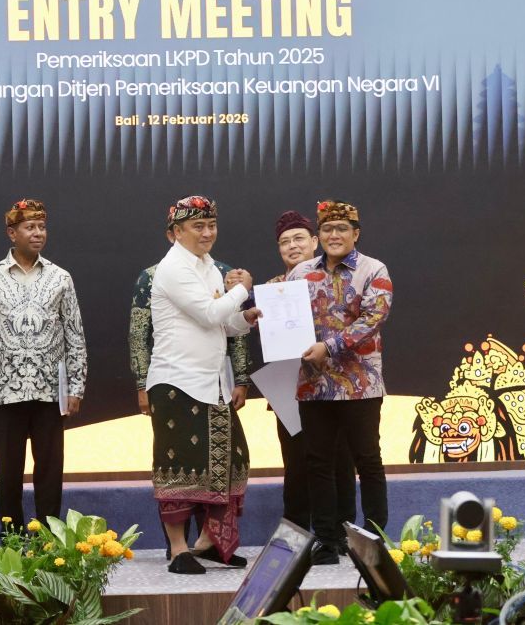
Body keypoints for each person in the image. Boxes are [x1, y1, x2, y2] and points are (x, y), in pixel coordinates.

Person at [146, 195, 261, 574]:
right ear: (176, 232)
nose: (207, 232)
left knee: (231, 459)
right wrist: (243, 288)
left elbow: (222, 323)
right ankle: (179, 549)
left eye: (211, 225)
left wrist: (246, 318)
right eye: (198, 226)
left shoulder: (209, 267)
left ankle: (208, 543)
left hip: (212, 383)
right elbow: (209, 311)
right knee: (180, 465)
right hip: (176, 381)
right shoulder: (172, 268)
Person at [0, 199, 86, 529]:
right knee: (8, 472)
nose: (38, 234)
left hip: (50, 391)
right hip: (4, 392)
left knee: (50, 471)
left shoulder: (61, 277)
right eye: (30, 228)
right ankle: (13, 541)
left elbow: (75, 334)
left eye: (42, 227)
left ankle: (50, 542)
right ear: (11, 233)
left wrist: (75, 387)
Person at [288, 200, 392, 565]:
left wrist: (328, 347)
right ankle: (328, 541)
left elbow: (371, 320)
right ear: (319, 235)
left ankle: (375, 540)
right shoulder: (300, 272)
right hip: (313, 384)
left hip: (360, 383)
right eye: (328, 230)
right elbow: (284, 317)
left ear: (356, 234)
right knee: (317, 462)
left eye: (342, 229)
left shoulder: (373, 269)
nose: (334, 235)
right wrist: (256, 313)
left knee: (367, 460)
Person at [260, 211, 356, 537]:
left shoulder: (338, 281)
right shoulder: (272, 289)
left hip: (336, 387)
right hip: (290, 388)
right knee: (296, 463)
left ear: (315, 242)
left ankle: (340, 533)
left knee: (340, 460)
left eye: (299, 238)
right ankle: (296, 533)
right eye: (285, 242)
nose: (292, 246)